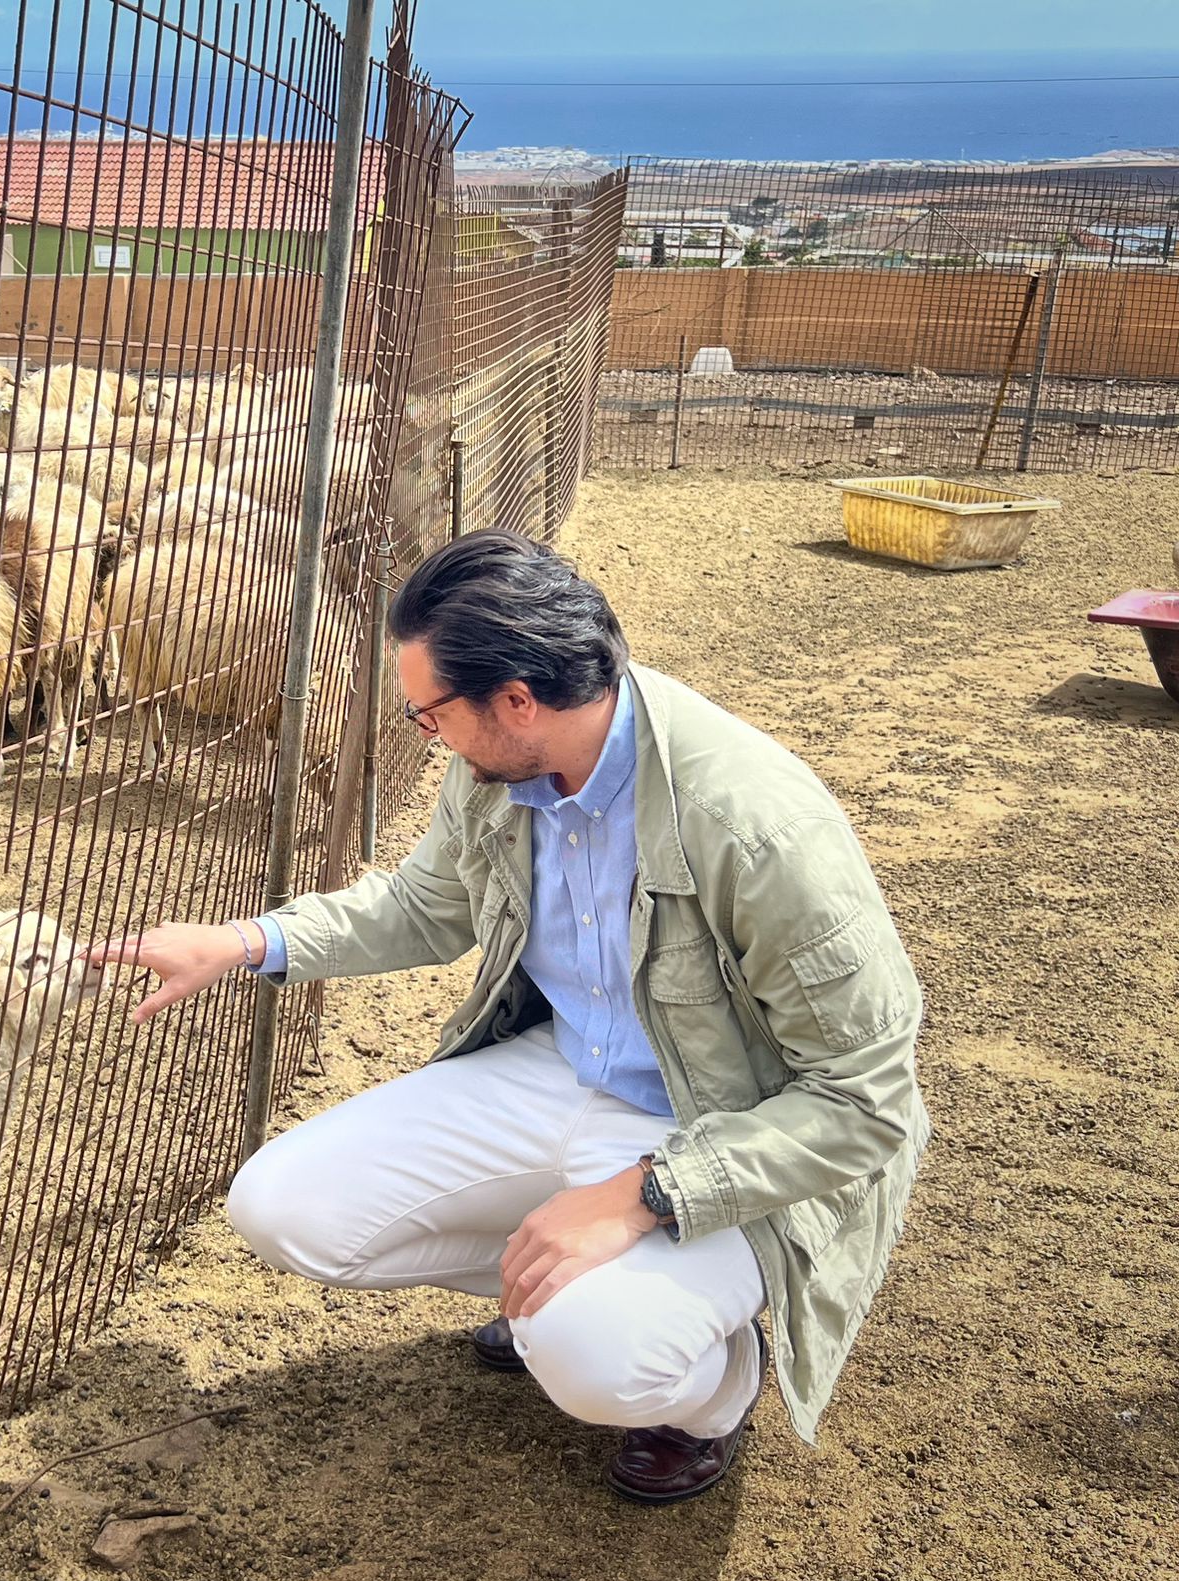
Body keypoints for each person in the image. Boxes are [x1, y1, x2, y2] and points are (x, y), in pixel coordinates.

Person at [86, 528, 928, 1504]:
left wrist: (638, 1196)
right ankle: (556, 1288)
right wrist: (242, 943)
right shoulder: (499, 770)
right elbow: (421, 908)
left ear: (516, 700)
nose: (423, 735)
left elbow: (863, 1104)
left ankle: (712, 1390)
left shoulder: (753, 825)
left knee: (595, 1357)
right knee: (282, 1209)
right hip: (564, 1067)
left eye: (427, 713)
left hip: (721, 1120)